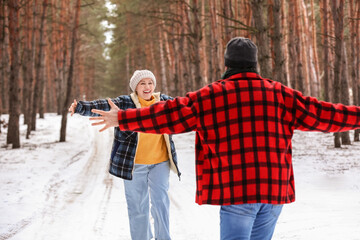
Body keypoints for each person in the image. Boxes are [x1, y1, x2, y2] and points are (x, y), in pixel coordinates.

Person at [89, 37, 360, 240]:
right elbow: (325, 114)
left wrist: (124, 119)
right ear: (255, 64)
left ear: (227, 64)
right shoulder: (280, 94)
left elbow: (167, 115)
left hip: (236, 191)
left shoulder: (211, 95)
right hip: (273, 191)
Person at [68, 69, 180, 240]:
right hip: (135, 165)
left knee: (161, 203)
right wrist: (81, 107)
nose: (147, 86)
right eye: (142, 83)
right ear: (136, 87)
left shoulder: (164, 101)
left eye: (150, 83)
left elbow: (186, 106)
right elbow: (103, 105)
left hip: (160, 162)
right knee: (137, 206)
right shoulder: (125, 103)